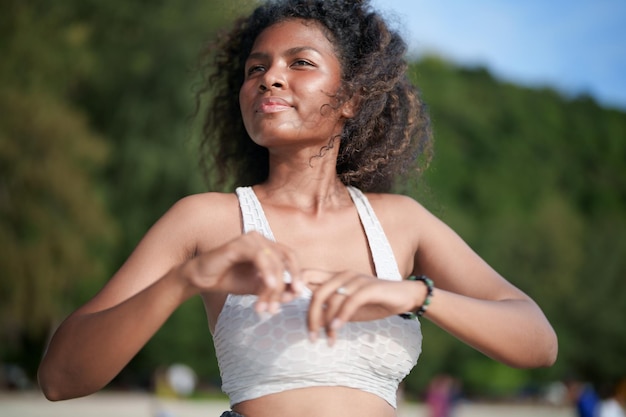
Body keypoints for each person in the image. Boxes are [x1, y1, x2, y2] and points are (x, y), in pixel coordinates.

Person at [37, 1, 558, 416]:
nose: (269, 77)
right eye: (255, 68)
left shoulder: (401, 222)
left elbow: (536, 341)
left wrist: (412, 295)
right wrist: (187, 278)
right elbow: (60, 379)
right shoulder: (205, 220)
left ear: (352, 97)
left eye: (300, 62)